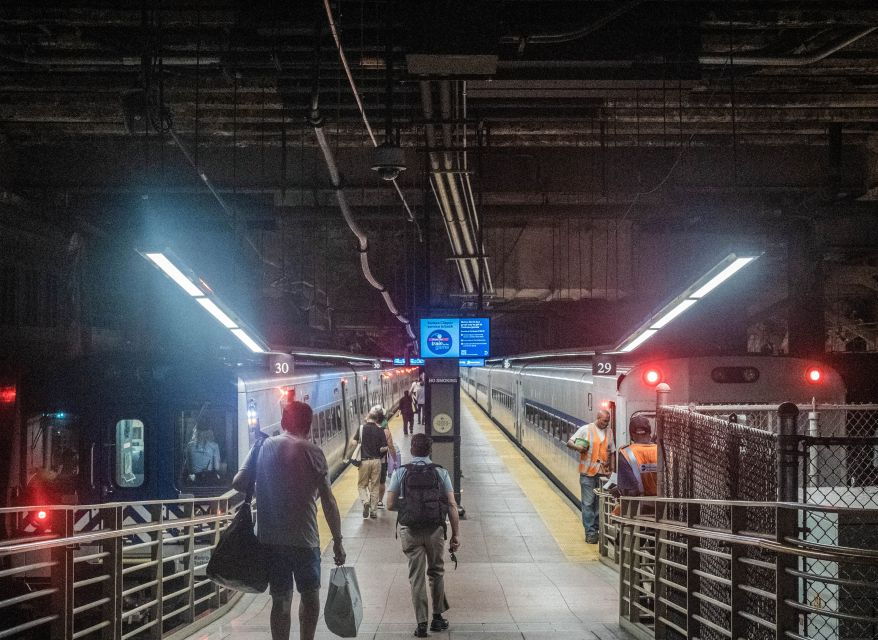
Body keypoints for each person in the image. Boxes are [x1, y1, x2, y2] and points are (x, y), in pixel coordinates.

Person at [232, 401, 346, 640]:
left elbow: (239, 483)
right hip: (305, 539)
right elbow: (329, 501)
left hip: (271, 540)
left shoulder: (261, 445)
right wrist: (337, 540)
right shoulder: (313, 452)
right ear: (309, 425)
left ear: (283, 422)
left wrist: (266, 479)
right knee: (310, 595)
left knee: (281, 599)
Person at [386, 434, 460, 638]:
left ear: (412, 449)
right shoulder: (440, 472)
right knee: (436, 572)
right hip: (435, 530)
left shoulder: (401, 472)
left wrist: (410, 507)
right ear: (430, 450)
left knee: (416, 577)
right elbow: (452, 505)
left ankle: (421, 624)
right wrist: (455, 535)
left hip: (410, 531)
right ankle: (437, 619)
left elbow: (390, 504)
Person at [566, 409, 615, 544]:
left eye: (608, 421)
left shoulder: (609, 432)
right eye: (604, 421)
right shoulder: (585, 429)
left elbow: (612, 451)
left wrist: (612, 470)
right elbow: (569, 442)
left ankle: (599, 529)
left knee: (600, 503)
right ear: (598, 418)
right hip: (587, 473)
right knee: (588, 503)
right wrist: (579, 448)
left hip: (603, 473)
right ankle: (590, 533)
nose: (606, 423)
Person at [350, 405, 388, 519]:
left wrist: (359, 444)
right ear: (376, 420)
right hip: (376, 461)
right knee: (375, 486)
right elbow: (384, 448)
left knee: (362, 485)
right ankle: (374, 511)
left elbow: (353, 443)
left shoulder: (361, 428)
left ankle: (365, 502)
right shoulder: (380, 430)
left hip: (364, 462)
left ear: (367, 418)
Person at [616, 415, 657, 499]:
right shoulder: (661, 451)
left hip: (637, 505)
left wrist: (616, 491)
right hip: (663, 503)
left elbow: (627, 489)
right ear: (649, 432)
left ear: (631, 434)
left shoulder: (625, 453)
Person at [376, 407, 396, 510]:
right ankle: (379, 501)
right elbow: (391, 446)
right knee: (382, 482)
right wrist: (395, 459)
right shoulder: (386, 431)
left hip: (369, 460)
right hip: (382, 461)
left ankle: (371, 502)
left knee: (372, 482)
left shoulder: (366, 430)